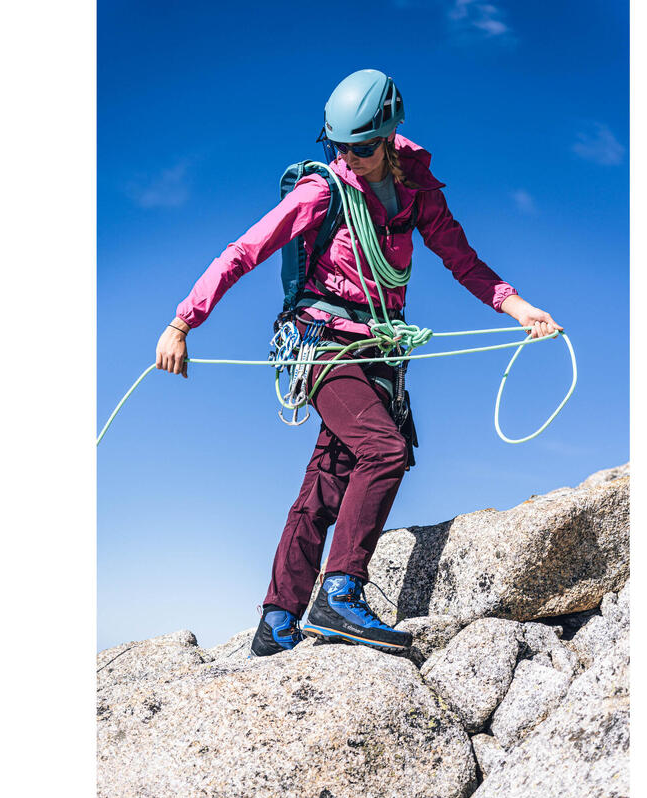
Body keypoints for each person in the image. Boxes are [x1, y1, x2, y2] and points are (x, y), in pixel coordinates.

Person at [155, 69, 562, 657]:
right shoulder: (322, 191)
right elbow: (244, 251)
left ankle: (276, 619)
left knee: (327, 480)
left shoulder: (419, 193)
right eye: (340, 145)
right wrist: (182, 322)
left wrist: (520, 309)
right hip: (321, 346)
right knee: (383, 449)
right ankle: (341, 592)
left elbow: (464, 261)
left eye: (364, 146)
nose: (351, 157)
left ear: (391, 135)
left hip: (378, 352)